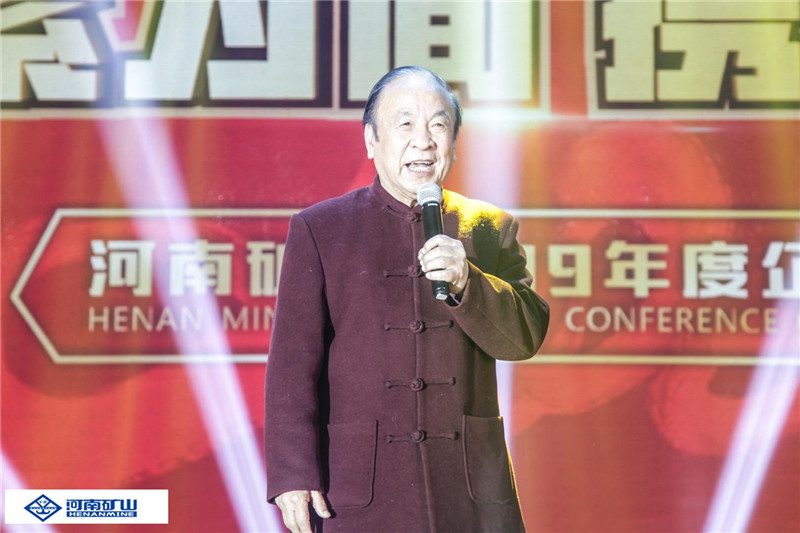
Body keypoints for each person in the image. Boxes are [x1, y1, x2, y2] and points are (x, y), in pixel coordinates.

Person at [264, 66, 549, 533]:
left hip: (469, 491)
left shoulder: (490, 229)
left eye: (438, 125)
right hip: (360, 488)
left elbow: (524, 338)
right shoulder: (321, 230)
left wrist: (468, 281)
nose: (423, 141)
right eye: (405, 123)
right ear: (371, 140)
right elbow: (292, 367)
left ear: (454, 141)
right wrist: (293, 474)